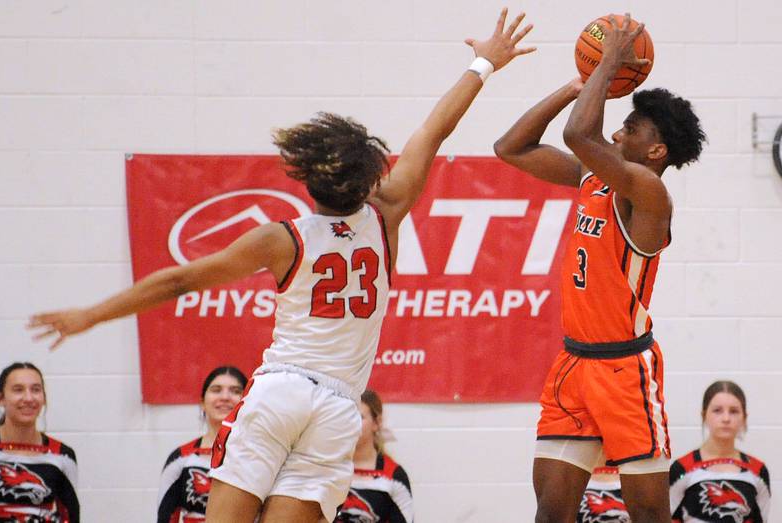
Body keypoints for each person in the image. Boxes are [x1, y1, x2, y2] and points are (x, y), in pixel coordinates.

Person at [28, 9, 536, 522]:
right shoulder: (388, 214)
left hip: (281, 392)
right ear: (369, 177)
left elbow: (179, 279)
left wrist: (92, 314)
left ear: (305, 179)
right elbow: (435, 128)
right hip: (339, 409)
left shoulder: (282, 238)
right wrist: (482, 64)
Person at [494, 13, 706, 523]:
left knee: (651, 515)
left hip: (624, 369)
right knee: (551, 512)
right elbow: (511, 148)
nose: (616, 130)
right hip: (572, 364)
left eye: (630, 129)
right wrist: (578, 82)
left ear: (655, 150)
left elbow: (578, 134)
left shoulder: (650, 194)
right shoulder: (595, 178)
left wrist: (608, 62)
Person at [0, 362, 80, 522]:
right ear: (0, 398)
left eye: (35, 390)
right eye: (18, 390)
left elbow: (70, 516)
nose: (28, 398)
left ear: (44, 398)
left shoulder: (62, 455)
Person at [157, 366, 249, 522]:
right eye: (216, 390)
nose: (225, 397)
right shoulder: (181, 457)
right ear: (202, 402)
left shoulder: (260, 457)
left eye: (235, 391)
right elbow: (164, 517)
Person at [670, 381, 771, 522]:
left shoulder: (758, 470)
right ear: (704, 415)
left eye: (734, 411)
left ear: (744, 417)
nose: (726, 418)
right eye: (717, 410)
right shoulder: (681, 468)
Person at [335, 390, 412, 523]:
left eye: (359, 417)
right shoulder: (327, 467)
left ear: (377, 422)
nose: (352, 423)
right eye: (347, 416)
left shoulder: (394, 476)